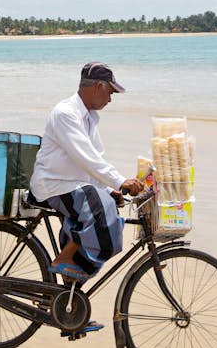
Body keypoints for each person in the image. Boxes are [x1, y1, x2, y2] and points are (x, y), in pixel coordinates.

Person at [29, 62, 144, 288]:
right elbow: (88, 159)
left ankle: (67, 300)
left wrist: (111, 189)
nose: (110, 99)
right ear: (98, 86)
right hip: (54, 185)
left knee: (107, 205)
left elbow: (93, 161)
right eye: (110, 92)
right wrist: (120, 181)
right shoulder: (66, 114)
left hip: (73, 184)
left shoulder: (89, 117)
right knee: (101, 212)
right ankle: (64, 259)